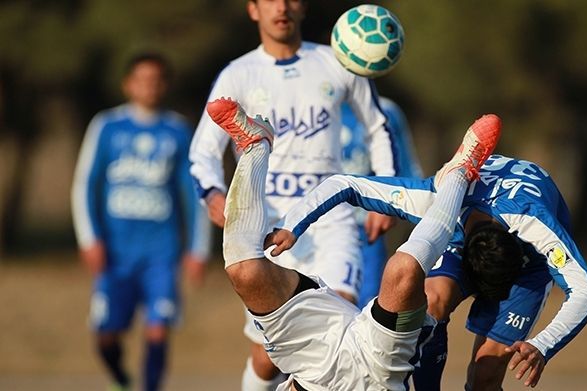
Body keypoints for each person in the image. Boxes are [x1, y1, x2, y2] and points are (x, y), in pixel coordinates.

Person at [205, 97, 501, 390]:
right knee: (403, 271)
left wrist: (293, 224)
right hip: (377, 370)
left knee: (244, 271)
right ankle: (460, 173)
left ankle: (256, 145)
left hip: (308, 362)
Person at [280, 136, 587, 389]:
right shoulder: (436, 198)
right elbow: (345, 183)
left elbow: (586, 291)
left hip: (527, 265)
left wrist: (542, 346)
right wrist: (291, 225)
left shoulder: (536, 224)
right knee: (432, 300)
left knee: (485, 377)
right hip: (464, 234)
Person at [188, 0, 398, 388]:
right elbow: (202, 152)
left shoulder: (338, 61)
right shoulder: (238, 74)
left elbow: (377, 128)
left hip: (330, 218)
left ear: (304, 8)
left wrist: (385, 192)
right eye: (269, 0)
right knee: (268, 359)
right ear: (253, 10)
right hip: (267, 228)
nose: (281, 6)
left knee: (337, 331)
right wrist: (213, 194)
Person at [71, 53, 210, 391]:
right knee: (106, 334)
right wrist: (89, 238)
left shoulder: (176, 130)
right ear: (128, 84)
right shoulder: (107, 126)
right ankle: (120, 379)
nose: (149, 86)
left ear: (164, 85)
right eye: (141, 79)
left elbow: (192, 193)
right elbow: (85, 184)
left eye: (156, 80)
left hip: (160, 253)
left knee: (158, 328)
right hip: (115, 252)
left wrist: (197, 248)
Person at [340, 97, 424, 307]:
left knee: (363, 311)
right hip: (313, 229)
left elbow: (407, 170)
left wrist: (388, 204)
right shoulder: (308, 100)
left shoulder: (387, 110)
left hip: (366, 230)